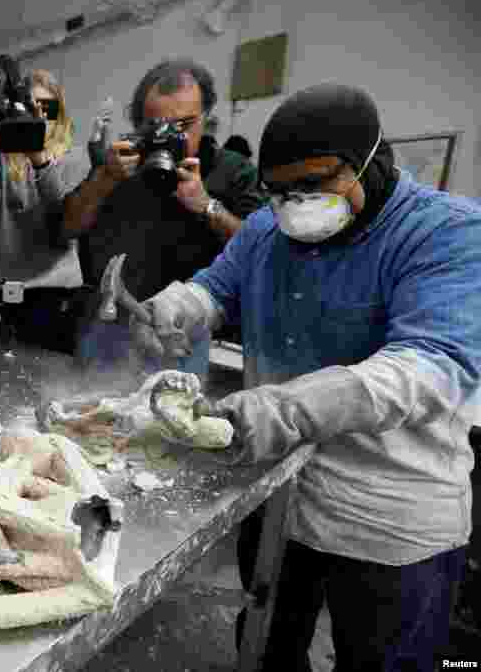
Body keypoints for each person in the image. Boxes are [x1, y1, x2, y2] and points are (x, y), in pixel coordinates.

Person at [130, 83, 481, 671]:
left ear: (373, 162)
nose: (296, 203)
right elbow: (216, 288)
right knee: (267, 648)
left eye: (315, 185)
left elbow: (429, 365)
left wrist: (285, 409)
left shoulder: (448, 234)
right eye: (281, 190)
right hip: (276, 498)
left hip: (388, 517)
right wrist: (176, 309)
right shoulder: (270, 229)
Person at [64, 59, 266, 377]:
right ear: (139, 122)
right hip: (107, 331)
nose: (170, 135)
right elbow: (66, 228)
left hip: (181, 334)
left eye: (184, 125)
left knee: (172, 421)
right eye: (156, 126)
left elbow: (263, 251)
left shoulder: (233, 171)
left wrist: (207, 205)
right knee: (85, 417)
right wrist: (105, 179)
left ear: (208, 120)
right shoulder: (121, 162)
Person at [0, 68, 91, 354]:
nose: (38, 112)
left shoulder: (74, 159)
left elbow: (63, 214)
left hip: (57, 292)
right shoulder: (3, 159)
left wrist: (37, 154)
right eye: (31, 105)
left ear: (59, 112)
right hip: (9, 292)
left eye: (46, 106)